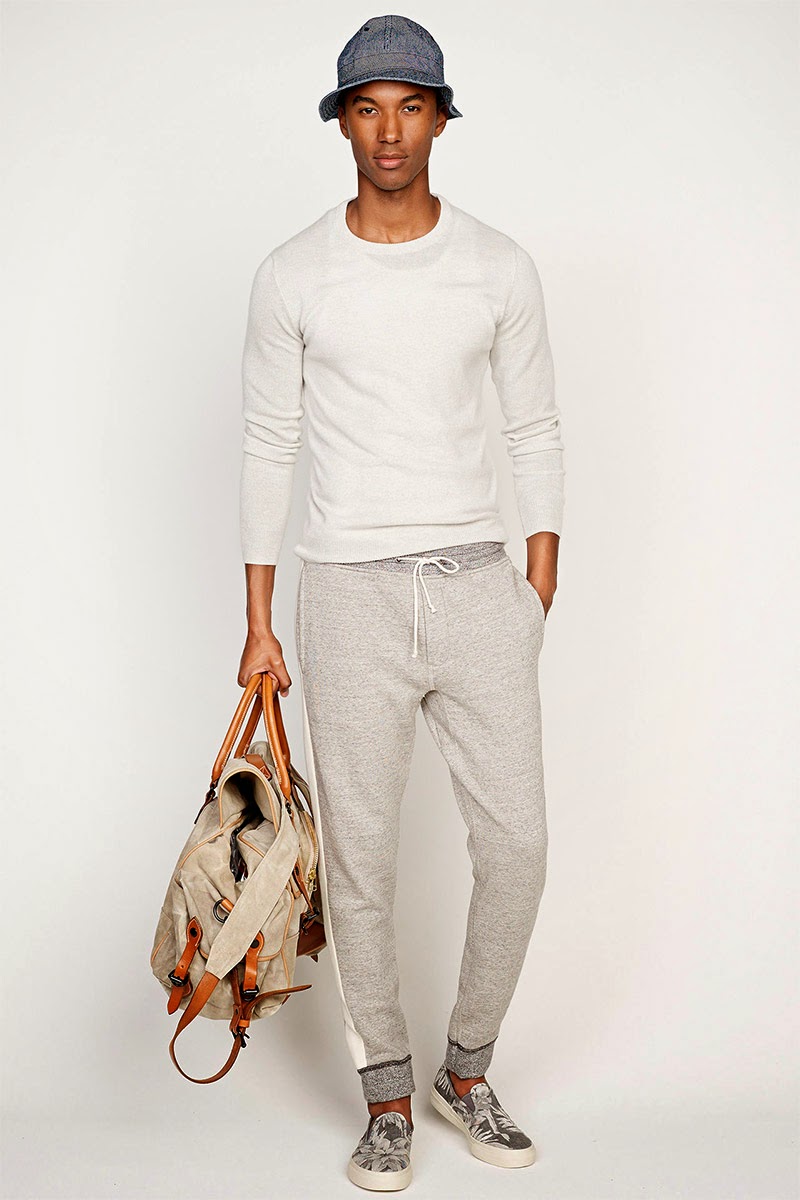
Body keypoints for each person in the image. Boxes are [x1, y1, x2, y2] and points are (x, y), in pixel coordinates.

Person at [236, 14, 565, 1190]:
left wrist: (536, 581)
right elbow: (267, 442)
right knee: (363, 864)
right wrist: (260, 621)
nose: (388, 131)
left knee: (517, 847)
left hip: (477, 587)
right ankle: (386, 1092)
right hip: (347, 597)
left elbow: (533, 425)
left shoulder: (497, 266)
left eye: (409, 107)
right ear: (343, 124)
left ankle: (463, 1072)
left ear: (438, 119)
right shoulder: (293, 273)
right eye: (367, 108)